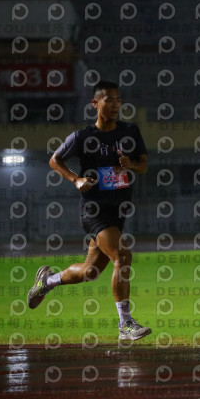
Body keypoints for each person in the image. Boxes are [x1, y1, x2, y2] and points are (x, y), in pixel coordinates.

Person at [27, 80, 151, 341]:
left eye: (118, 100)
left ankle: (47, 281)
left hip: (118, 212)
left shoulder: (130, 131)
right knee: (122, 257)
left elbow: (143, 165)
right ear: (95, 103)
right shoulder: (82, 136)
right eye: (109, 100)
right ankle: (125, 324)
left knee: (90, 272)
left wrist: (130, 164)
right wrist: (76, 179)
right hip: (94, 210)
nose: (115, 105)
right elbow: (54, 160)